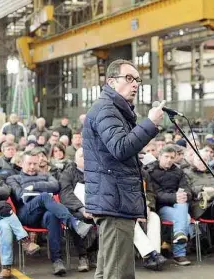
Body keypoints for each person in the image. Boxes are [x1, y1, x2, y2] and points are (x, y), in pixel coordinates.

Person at [82, 59, 165, 279]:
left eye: (137, 79)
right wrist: (149, 124)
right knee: (119, 273)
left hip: (113, 198)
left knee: (107, 272)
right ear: (111, 81)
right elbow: (120, 148)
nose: (135, 84)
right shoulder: (107, 109)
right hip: (114, 200)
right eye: (129, 78)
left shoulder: (115, 110)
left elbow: (115, 151)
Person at [7, 149, 93, 276]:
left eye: (35, 164)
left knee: (53, 216)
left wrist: (33, 187)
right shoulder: (13, 178)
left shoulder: (46, 175)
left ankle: (57, 261)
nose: (32, 167)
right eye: (29, 163)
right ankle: (73, 222)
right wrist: (41, 188)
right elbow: (20, 194)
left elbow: (56, 186)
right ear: (21, 163)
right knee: (44, 197)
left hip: (44, 215)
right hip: (26, 213)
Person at [143, 145, 192, 266]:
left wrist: (185, 195)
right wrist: (175, 197)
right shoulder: (151, 171)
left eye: (172, 157)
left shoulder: (178, 171)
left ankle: (179, 235)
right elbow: (155, 194)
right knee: (185, 218)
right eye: (166, 157)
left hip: (178, 205)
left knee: (183, 205)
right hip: (161, 207)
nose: (169, 160)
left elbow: (187, 189)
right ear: (159, 157)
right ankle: (179, 254)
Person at [59, 148, 98, 272]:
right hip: (76, 209)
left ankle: (93, 253)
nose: (85, 158)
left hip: (95, 206)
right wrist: (82, 209)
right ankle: (83, 256)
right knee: (78, 219)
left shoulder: (96, 171)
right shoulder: (68, 173)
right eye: (82, 156)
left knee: (103, 218)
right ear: (75, 159)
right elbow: (66, 194)